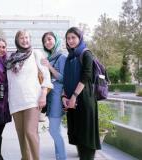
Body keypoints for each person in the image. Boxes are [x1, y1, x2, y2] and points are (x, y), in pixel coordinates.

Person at [5, 30, 53, 160]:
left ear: (30, 39)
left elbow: (47, 76)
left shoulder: (37, 54)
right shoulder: (10, 58)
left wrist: (43, 94)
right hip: (15, 102)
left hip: (32, 100)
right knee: (21, 135)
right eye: (21, 38)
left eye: (27, 37)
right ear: (17, 40)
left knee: (30, 132)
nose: (25, 40)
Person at [62, 27, 101, 160]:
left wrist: (73, 96)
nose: (71, 40)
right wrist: (64, 96)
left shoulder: (86, 53)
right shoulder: (70, 56)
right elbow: (65, 78)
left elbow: (86, 76)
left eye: (73, 37)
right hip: (73, 101)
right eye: (68, 38)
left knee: (86, 137)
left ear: (80, 38)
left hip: (84, 99)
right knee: (78, 135)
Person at [41, 32, 67, 160]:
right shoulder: (49, 57)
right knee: (56, 130)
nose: (47, 42)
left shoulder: (62, 57)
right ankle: (59, 157)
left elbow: (63, 79)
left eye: (49, 39)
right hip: (50, 97)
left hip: (57, 97)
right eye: (45, 41)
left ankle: (62, 157)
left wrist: (49, 67)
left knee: (53, 130)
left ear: (56, 40)